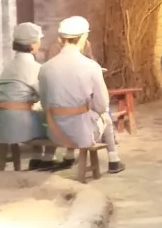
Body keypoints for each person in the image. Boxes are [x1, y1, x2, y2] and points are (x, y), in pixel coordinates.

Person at [38, 16, 125, 174]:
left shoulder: (45, 68)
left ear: (60, 38)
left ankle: (61, 156)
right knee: (105, 116)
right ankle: (114, 160)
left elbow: (44, 104)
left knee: (76, 115)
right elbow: (102, 105)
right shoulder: (91, 67)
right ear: (84, 37)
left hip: (54, 134)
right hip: (81, 135)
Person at [0, 22, 63, 171]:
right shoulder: (34, 68)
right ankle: (47, 159)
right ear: (33, 43)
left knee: (36, 115)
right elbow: (47, 98)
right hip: (17, 123)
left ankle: (36, 158)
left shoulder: (8, 66)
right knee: (57, 121)